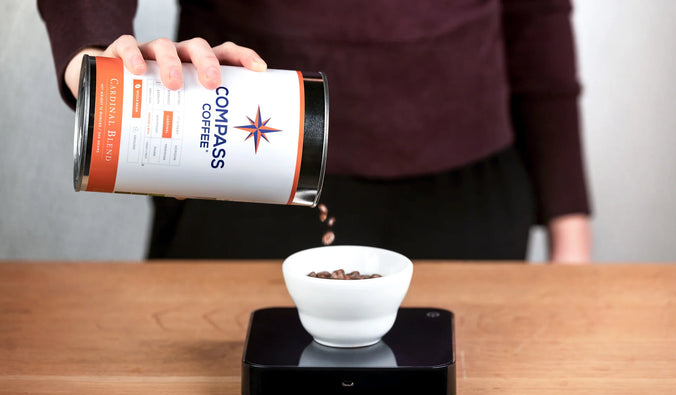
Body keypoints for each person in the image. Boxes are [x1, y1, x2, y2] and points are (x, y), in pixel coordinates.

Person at [38, 0, 592, 261]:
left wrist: (571, 238)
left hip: (467, 195)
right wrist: (94, 54)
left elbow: (535, 17)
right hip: (239, 172)